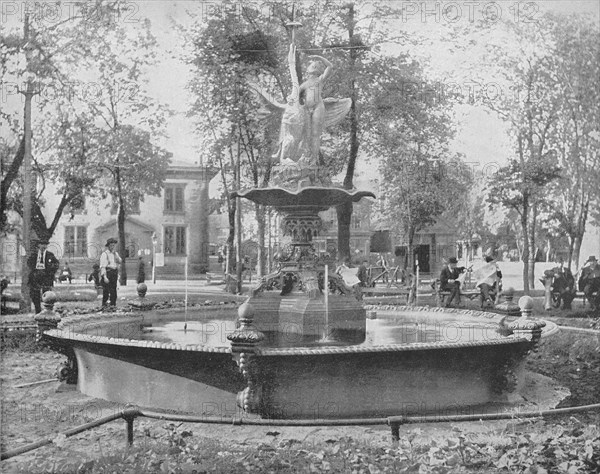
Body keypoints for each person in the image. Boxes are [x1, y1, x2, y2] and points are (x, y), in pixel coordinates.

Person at [27, 238, 60, 313]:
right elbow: (29, 263)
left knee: (47, 295)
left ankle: (47, 311)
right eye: (42, 244)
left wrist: (51, 272)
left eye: (45, 245)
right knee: (35, 295)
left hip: (46, 277)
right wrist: (35, 269)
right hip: (36, 277)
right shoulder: (34, 255)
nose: (43, 246)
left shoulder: (50, 255)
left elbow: (56, 264)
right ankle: (37, 311)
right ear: (38, 245)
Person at [100, 237, 122, 308]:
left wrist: (116, 255)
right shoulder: (104, 254)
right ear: (108, 245)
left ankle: (113, 305)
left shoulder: (115, 254)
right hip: (108, 272)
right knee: (106, 290)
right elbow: (103, 267)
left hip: (114, 273)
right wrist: (105, 277)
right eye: (111, 245)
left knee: (113, 290)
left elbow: (120, 261)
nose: (112, 247)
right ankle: (104, 305)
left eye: (113, 245)